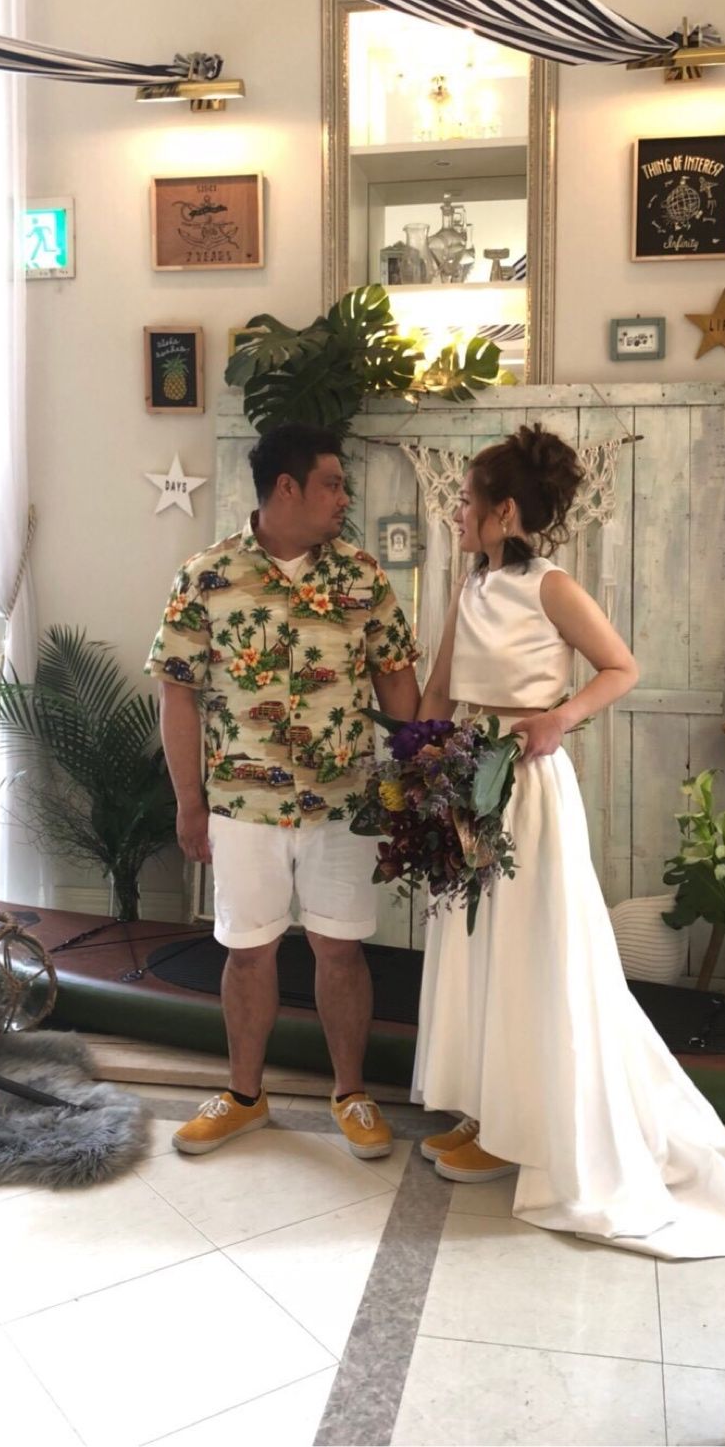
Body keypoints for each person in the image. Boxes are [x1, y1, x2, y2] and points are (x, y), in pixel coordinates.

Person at [412, 424, 725, 1258]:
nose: (454, 511)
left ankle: (533, 1127)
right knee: (476, 947)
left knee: (532, 952)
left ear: (502, 511)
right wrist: (419, 767)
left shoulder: (552, 587)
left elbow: (619, 667)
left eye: (464, 500)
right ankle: (490, 1112)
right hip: (466, 780)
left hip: (526, 788)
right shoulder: (471, 584)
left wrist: (558, 719)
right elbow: (440, 684)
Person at [147, 423, 421, 1160]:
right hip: (242, 803)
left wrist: (414, 787)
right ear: (287, 488)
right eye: (332, 484)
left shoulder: (362, 577)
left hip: (344, 804)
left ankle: (351, 1093)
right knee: (247, 952)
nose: (344, 497)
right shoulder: (206, 575)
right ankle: (244, 1096)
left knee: (342, 950)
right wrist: (188, 802)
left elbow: (397, 681)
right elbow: (176, 694)